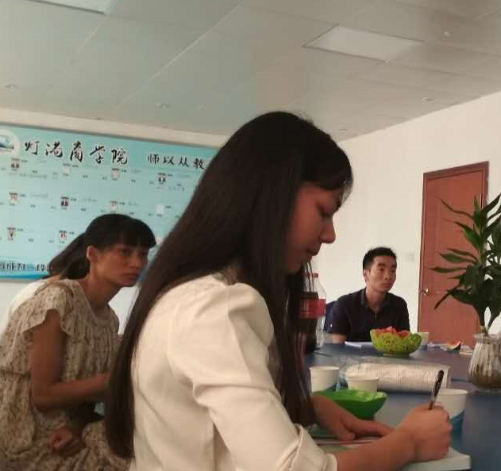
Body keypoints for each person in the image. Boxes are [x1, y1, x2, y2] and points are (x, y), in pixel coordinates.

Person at [105, 112, 451, 471]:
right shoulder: (216, 305)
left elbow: (205, 418)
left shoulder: (189, 292)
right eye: (323, 212)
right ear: (273, 196)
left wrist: (306, 407)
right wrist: (408, 443)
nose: (330, 234)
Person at [0, 214, 156, 471]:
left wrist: (76, 426)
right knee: (135, 459)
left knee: (150, 443)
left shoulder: (109, 319)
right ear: (92, 254)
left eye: (143, 254)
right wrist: (115, 379)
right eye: (124, 252)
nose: (137, 263)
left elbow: (85, 397)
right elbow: (43, 395)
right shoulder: (58, 301)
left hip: (66, 427)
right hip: (27, 437)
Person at [0, 235, 89, 428]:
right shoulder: (48, 298)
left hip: (34, 396)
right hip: (13, 397)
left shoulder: (76, 298)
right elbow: (42, 388)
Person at [326, 247, 410, 343]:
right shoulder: (344, 304)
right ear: (366, 274)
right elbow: (337, 347)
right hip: (350, 353)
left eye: (392, 270)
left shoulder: (399, 305)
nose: (388, 276)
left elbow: (404, 343)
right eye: (381, 269)